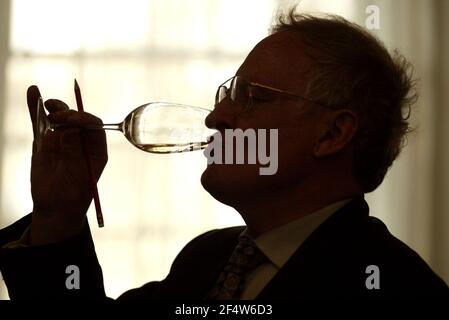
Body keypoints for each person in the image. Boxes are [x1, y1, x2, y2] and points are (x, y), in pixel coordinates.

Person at [0, 10, 448, 301]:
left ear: (332, 133)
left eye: (249, 97)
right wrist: (58, 218)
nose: (216, 118)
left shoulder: (399, 289)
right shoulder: (207, 259)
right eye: (225, 95)